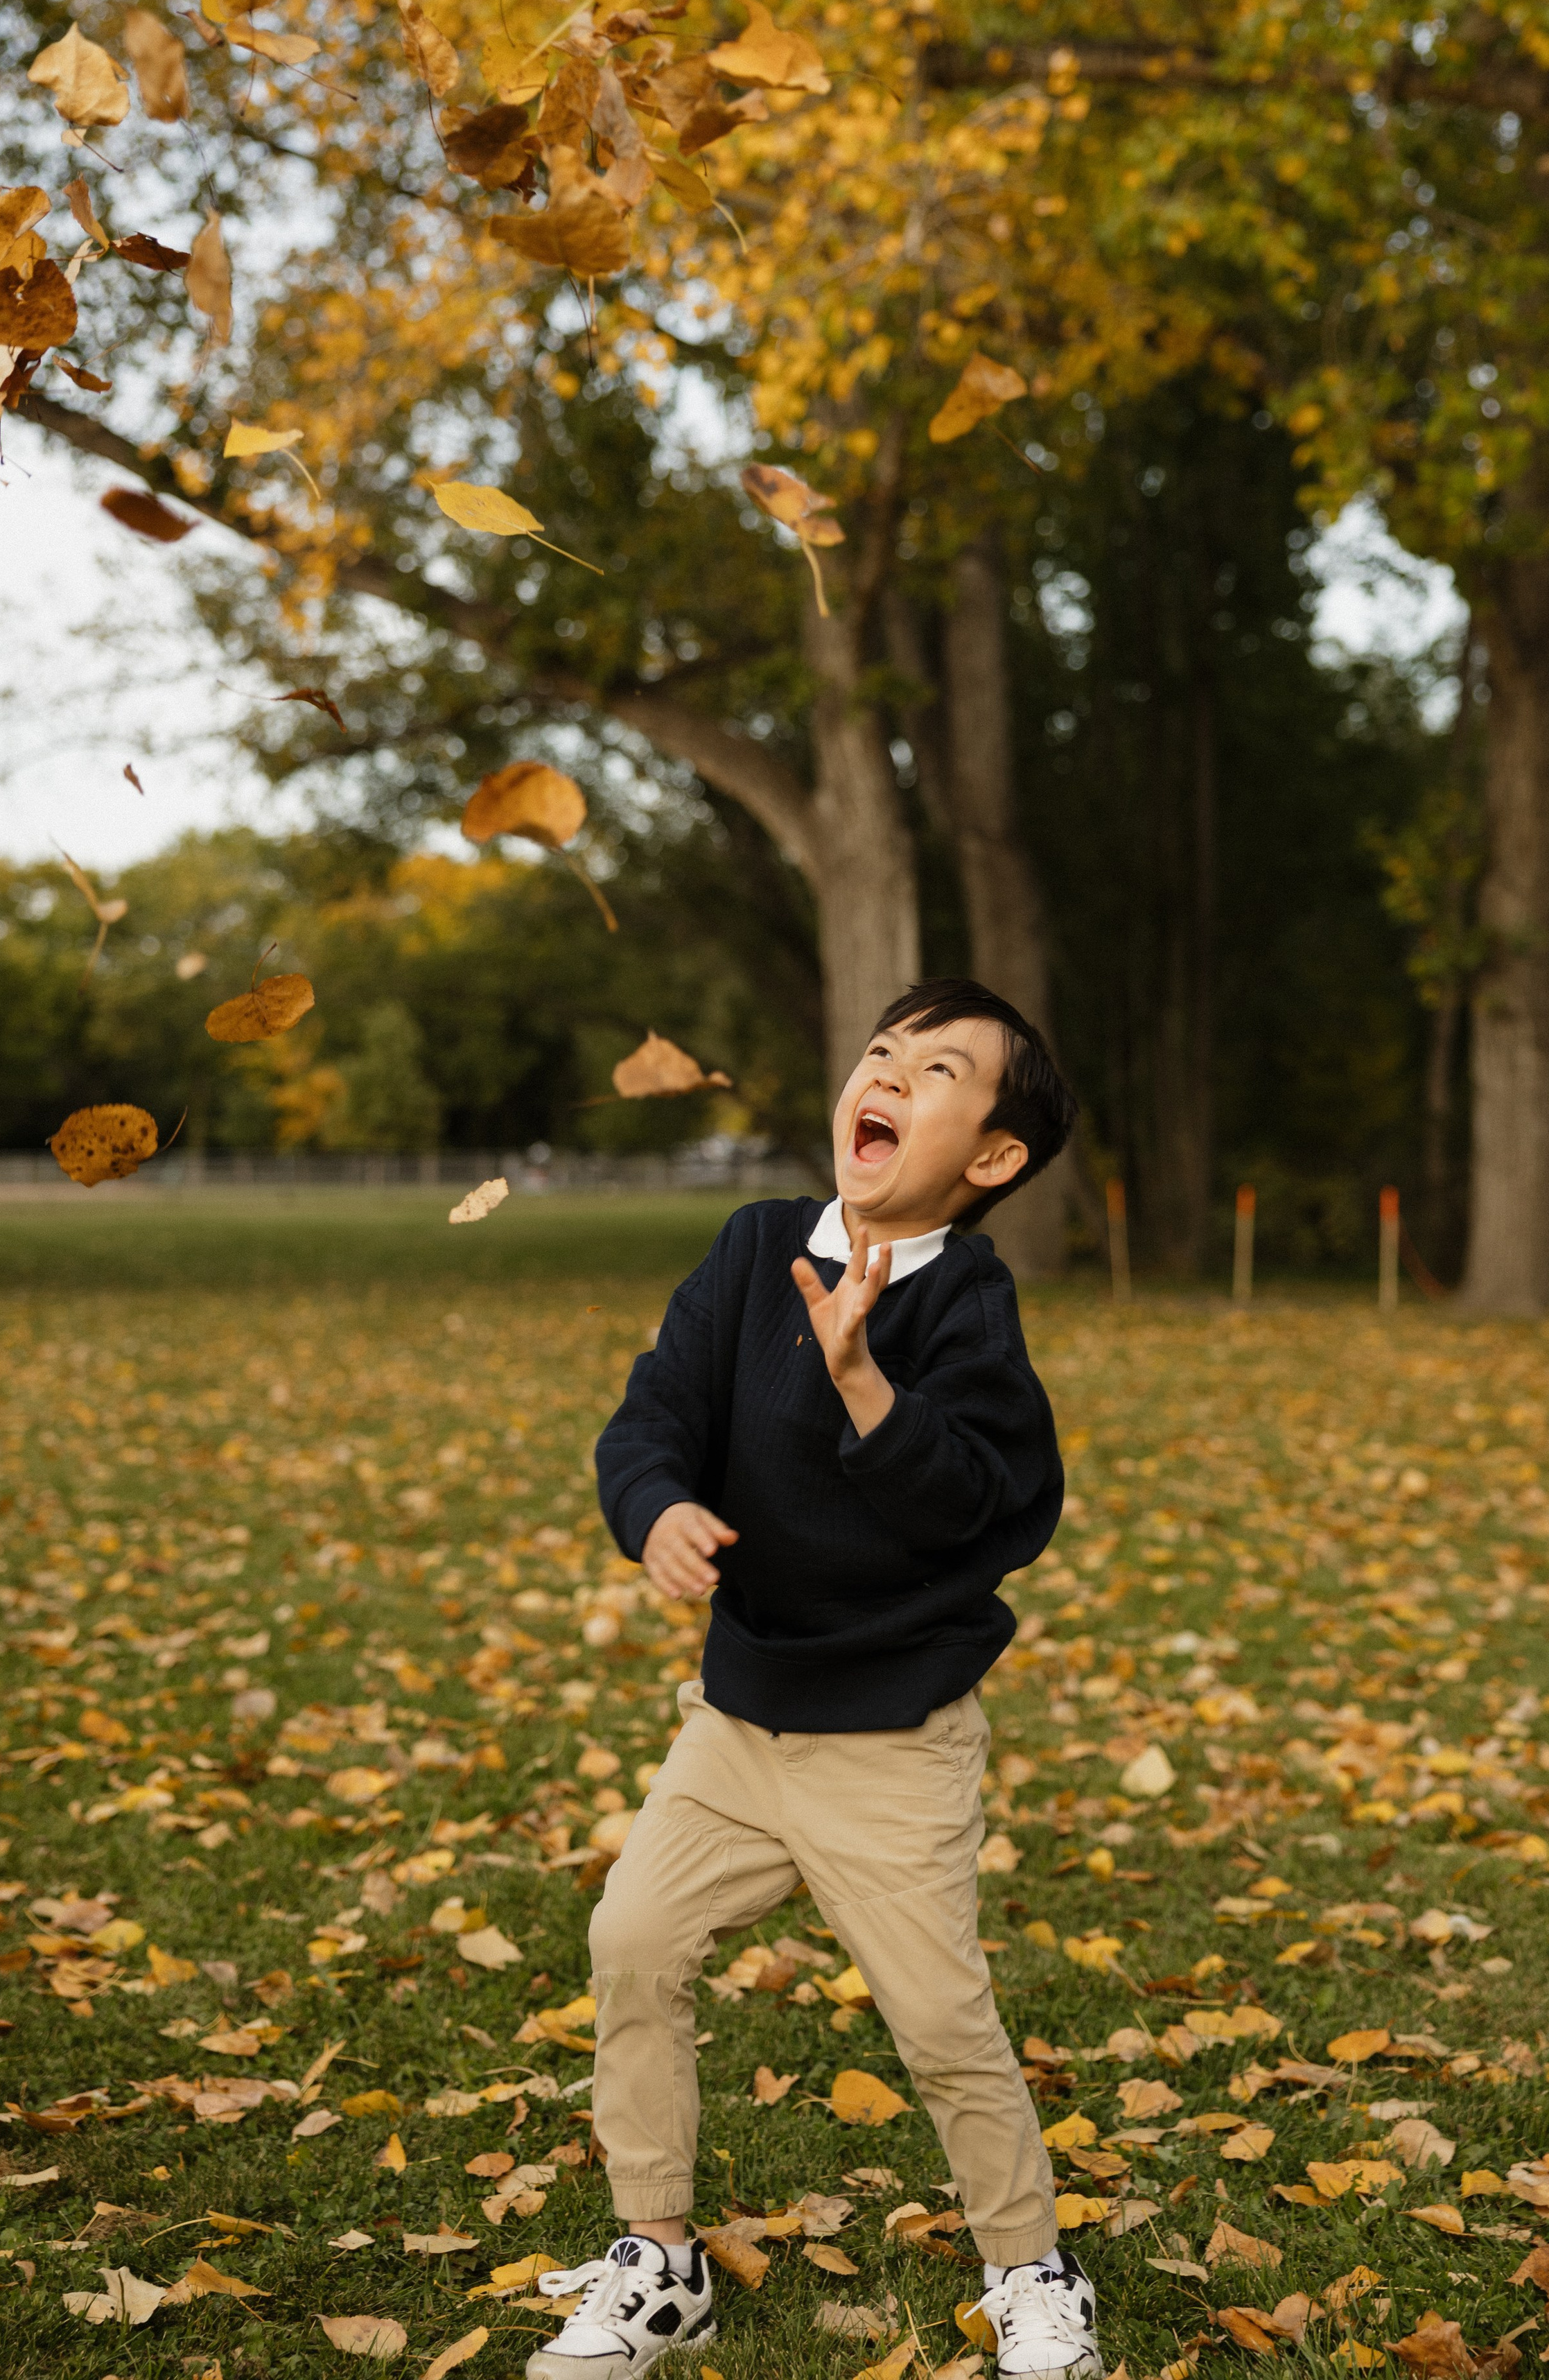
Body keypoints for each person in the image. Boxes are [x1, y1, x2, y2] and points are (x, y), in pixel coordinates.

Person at [527, 978, 1096, 2380]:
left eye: (938, 1066)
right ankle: (657, 2263)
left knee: (938, 2021)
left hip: (887, 1745)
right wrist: (652, 1503)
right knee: (632, 1947)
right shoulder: (752, 1251)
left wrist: (865, 1388)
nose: (886, 1072)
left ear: (992, 1157)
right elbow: (649, 1414)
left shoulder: (964, 1305)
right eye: (880, 1050)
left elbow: (982, 1498)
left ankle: (1029, 2269)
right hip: (734, 1726)